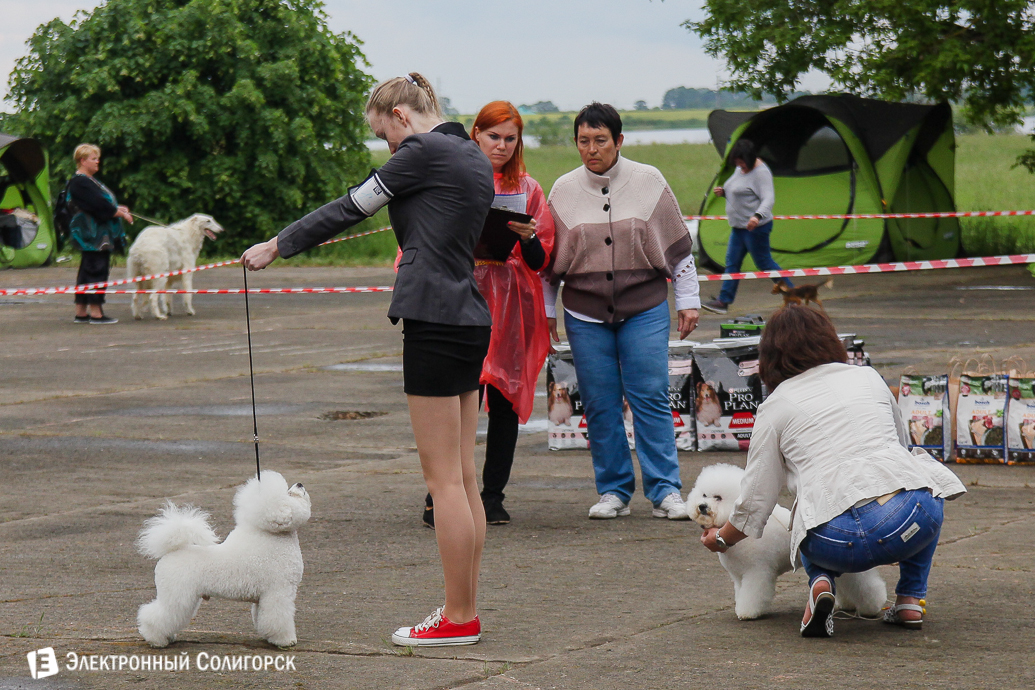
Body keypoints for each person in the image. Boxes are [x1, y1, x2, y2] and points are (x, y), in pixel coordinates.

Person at [242, 73, 494, 647]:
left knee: (443, 483)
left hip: (433, 319)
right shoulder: (471, 153)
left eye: (385, 136)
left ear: (403, 116)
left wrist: (278, 244)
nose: (388, 150)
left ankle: (458, 619)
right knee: (464, 479)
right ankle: (465, 608)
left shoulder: (422, 151)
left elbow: (351, 205)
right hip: (469, 317)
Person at [701, 305, 966, 638]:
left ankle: (820, 583)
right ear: (828, 340)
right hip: (909, 522)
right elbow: (903, 449)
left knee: (804, 514)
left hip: (836, 544)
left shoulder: (774, 407)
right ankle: (911, 598)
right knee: (923, 481)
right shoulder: (868, 376)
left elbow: (757, 498)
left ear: (768, 357)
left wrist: (722, 538)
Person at [544, 102, 700, 521]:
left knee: (649, 395)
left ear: (619, 141)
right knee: (599, 401)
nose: (591, 149)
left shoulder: (649, 181)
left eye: (600, 140)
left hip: (644, 307)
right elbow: (548, 263)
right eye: (583, 141)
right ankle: (613, 489)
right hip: (584, 313)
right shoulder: (562, 190)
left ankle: (665, 490)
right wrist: (546, 313)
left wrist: (688, 299)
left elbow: (678, 248)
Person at [422, 101, 555, 528]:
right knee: (457, 400)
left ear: (518, 143)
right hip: (462, 295)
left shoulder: (529, 188)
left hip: (512, 304)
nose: (500, 145)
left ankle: (493, 494)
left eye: (509, 138)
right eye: (492, 135)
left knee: (504, 398)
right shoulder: (451, 179)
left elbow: (540, 260)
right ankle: (440, 495)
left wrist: (528, 237)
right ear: (475, 134)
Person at [701, 138, 790, 315]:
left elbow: (768, 198)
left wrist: (757, 216)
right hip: (738, 228)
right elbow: (740, 190)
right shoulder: (740, 169)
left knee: (764, 263)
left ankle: (792, 295)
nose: (739, 165)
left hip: (756, 228)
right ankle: (723, 301)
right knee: (732, 264)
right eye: (737, 161)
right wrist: (724, 192)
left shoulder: (761, 173)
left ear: (749, 158)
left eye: (741, 161)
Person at [68, 144, 134, 324]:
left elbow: (101, 203)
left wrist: (117, 208)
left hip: (96, 235)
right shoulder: (80, 181)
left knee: (87, 270)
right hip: (93, 236)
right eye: (93, 158)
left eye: (97, 158)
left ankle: (81, 311)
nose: (98, 161)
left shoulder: (88, 180)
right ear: (82, 160)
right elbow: (98, 205)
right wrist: (120, 214)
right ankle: (96, 312)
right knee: (97, 270)